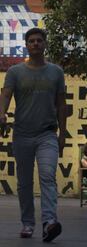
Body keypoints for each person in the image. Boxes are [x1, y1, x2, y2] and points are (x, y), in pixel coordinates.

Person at [0, 28, 66, 242]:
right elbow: (6, 94)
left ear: (45, 44)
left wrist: (63, 134)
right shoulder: (15, 72)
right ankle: (28, 223)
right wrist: (1, 113)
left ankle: (49, 222)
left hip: (47, 134)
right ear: (26, 45)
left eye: (39, 40)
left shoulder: (56, 72)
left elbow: (61, 104)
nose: (36, 44)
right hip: (22, 134)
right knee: (24, 182)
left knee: (47, 176)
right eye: (31, 41)